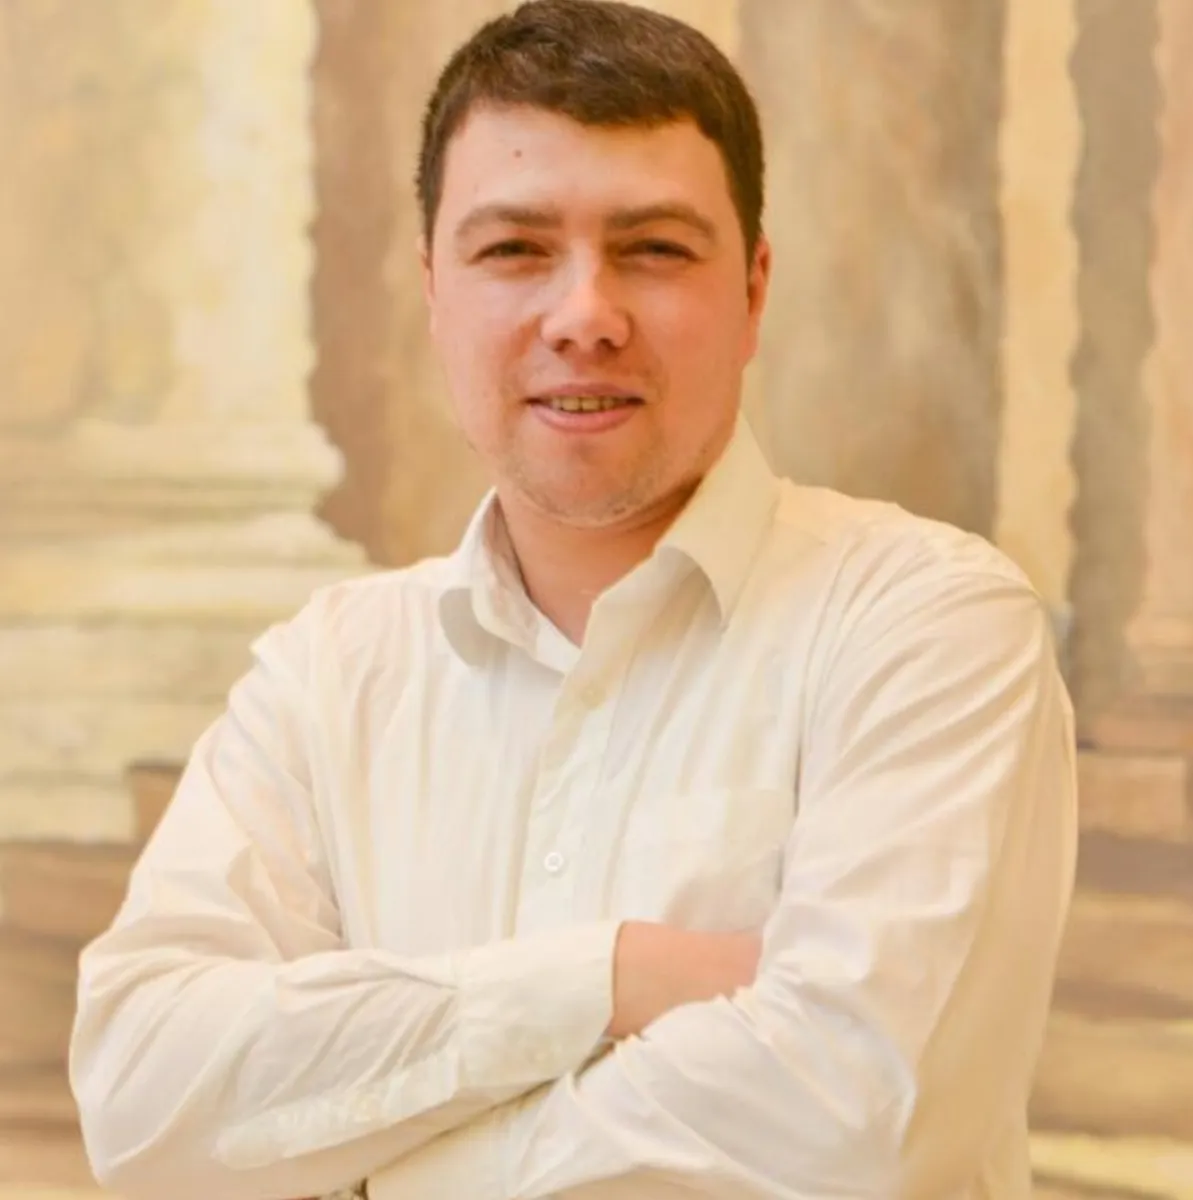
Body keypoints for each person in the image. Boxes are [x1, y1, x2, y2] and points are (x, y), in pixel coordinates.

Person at [69, 2, 1078, 1198]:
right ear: (434, 290)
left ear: (754, 291)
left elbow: (856, 1126)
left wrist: (371, 1159)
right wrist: (611, 978)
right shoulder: (327, 677)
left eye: (654, 249)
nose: (586, 316)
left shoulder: (928, 627)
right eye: (515, 250)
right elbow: (143, 1098)